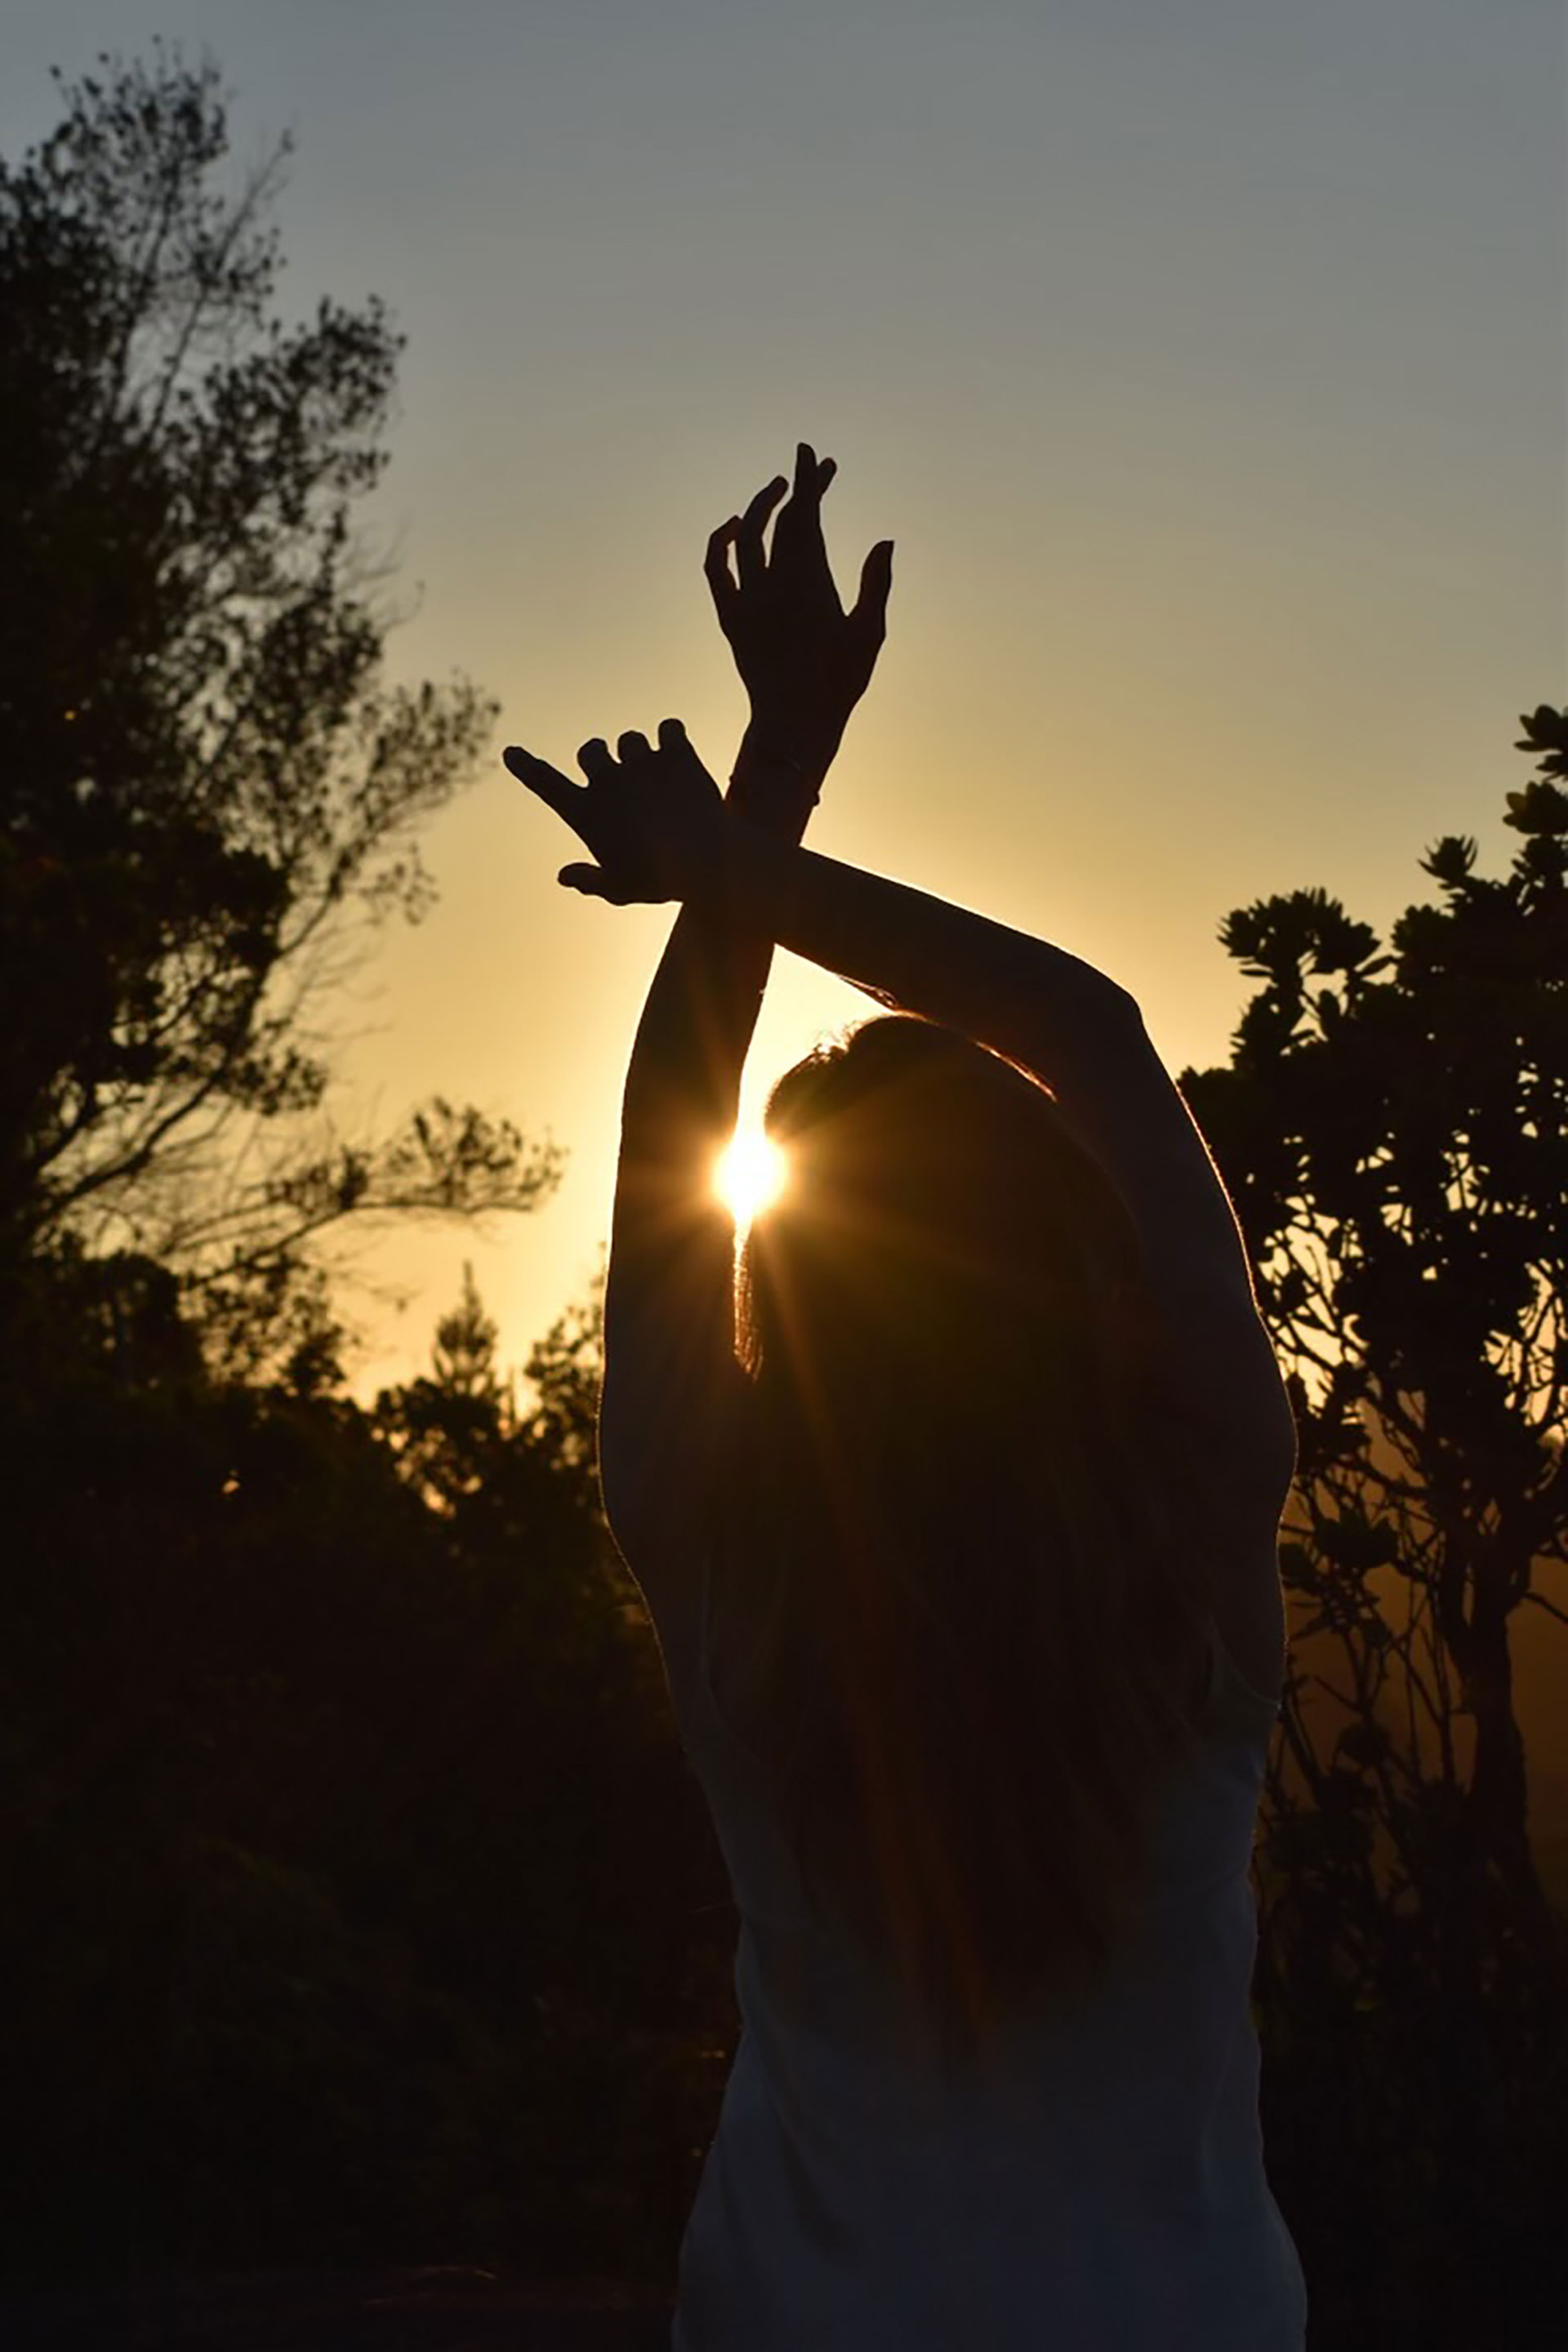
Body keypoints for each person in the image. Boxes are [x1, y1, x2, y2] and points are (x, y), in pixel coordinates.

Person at [505, 446, 1309, 2350]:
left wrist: (768, 775)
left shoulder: (719, 1544)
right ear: (1077, 1263)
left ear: (787, 1301)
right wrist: (745, 850)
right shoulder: (1195, 1521)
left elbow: (671, 1137)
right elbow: (1092, 1032)